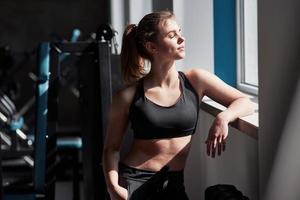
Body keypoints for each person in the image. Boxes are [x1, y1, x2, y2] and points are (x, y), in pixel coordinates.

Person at [102, 11, 254, 200]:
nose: (182, 39)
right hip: (134, 184)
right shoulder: (128, 96)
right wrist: (113, 188)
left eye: (180, 32)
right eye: (172, 35)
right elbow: (111, 148)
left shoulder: (196, 80)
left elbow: (245, 102)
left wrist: (223, 118)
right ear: (152, 47)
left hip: (174, 185)